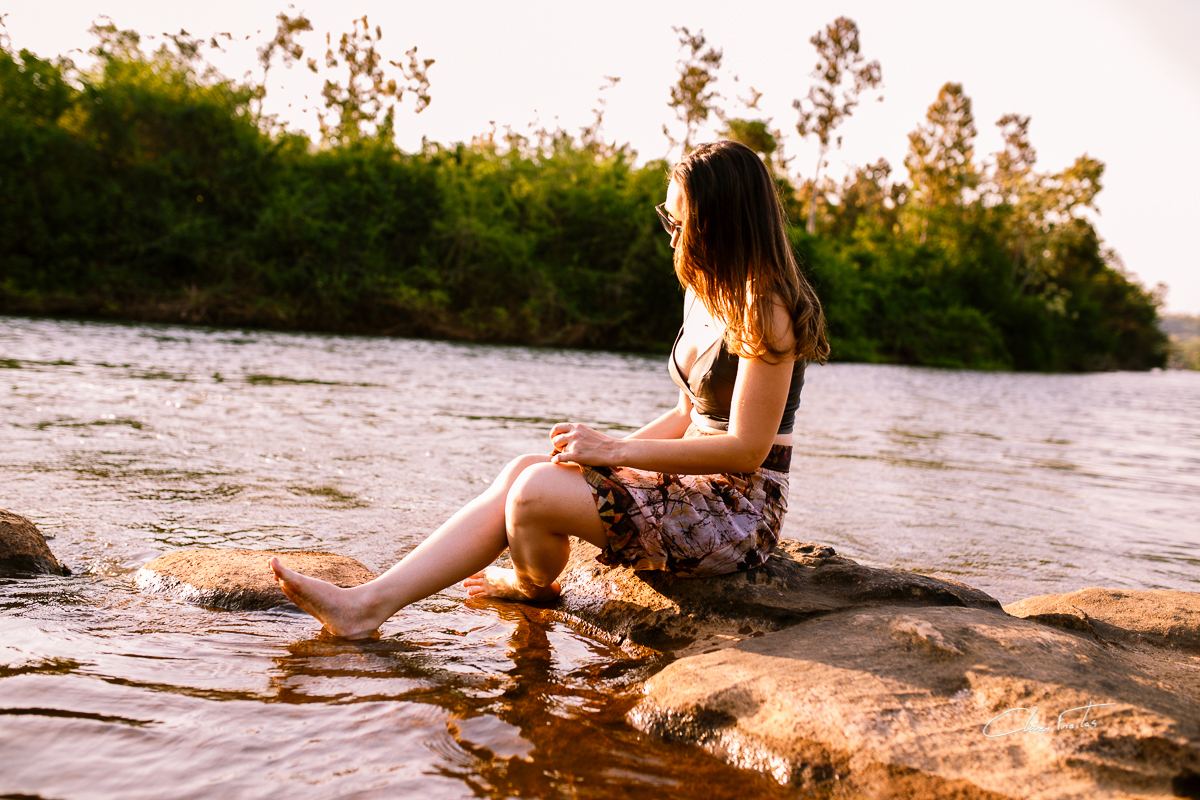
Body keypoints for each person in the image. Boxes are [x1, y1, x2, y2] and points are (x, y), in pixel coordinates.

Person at [268, 140, 830, 639]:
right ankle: (369, 604)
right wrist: (604, 466)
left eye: (683, 222)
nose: (672, 234)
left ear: (722, 224)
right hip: (689, 479)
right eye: (670, 218)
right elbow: (687, 411)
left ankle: (526, 588)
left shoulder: (767, 310)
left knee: (535, 493)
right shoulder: (704, 290)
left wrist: (613, 452)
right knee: (523, 470)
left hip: (738, 509)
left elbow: (745, 450)